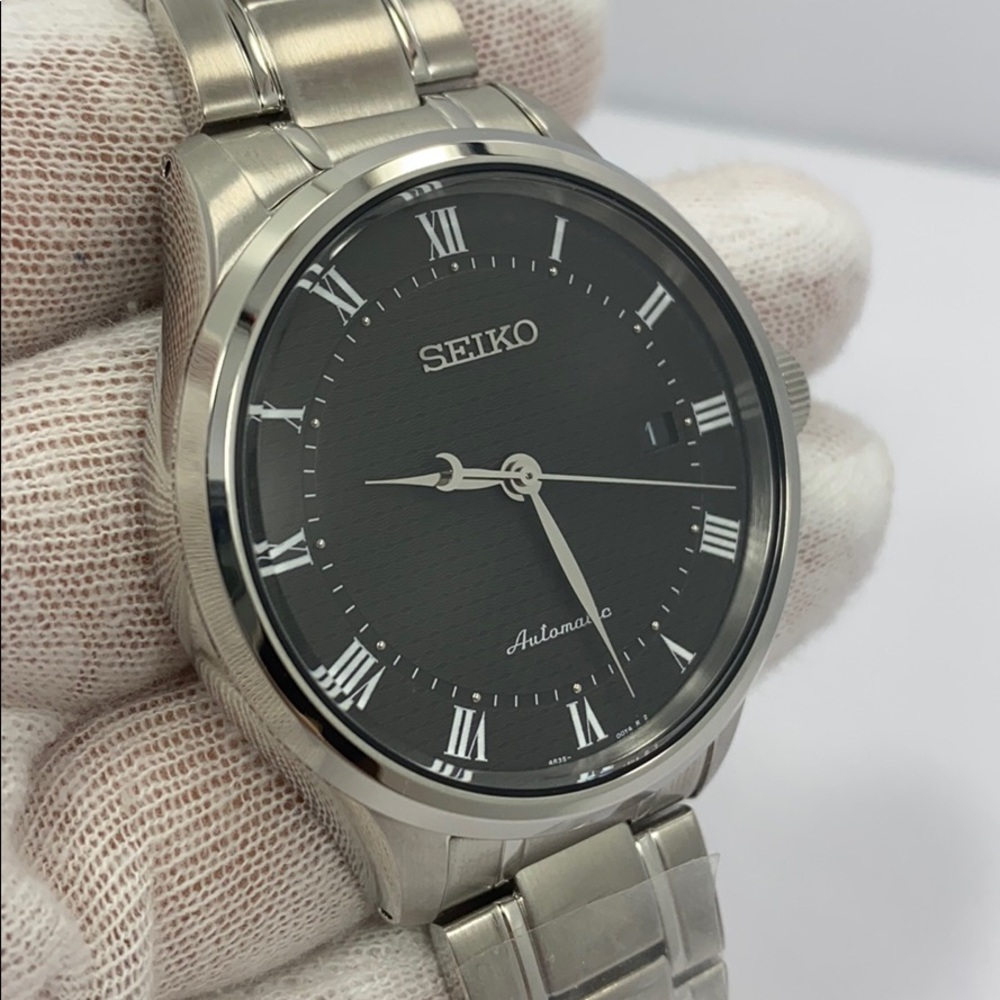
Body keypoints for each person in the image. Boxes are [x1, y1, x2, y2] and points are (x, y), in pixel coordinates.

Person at [0, 0, 892, 996]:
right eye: (509, 478)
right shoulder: (239, 198)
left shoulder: (537, 177)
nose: (522, 478)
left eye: (523, 473)